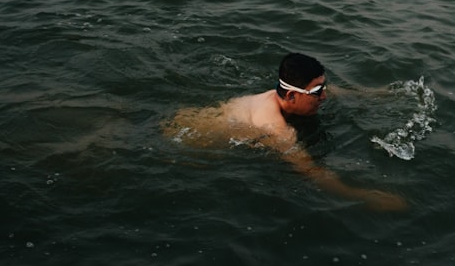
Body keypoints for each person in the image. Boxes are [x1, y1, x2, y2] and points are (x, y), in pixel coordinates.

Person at [162, 53, 407, 211]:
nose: (324, 96)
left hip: (194, 117)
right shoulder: (273, 127)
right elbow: (311, 172)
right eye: (317, 92)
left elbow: (337, 92)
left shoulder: (294, 94)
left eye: (323, 87)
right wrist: (367, 196)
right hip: (188, 145)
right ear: (291, 95)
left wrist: (387, 94)